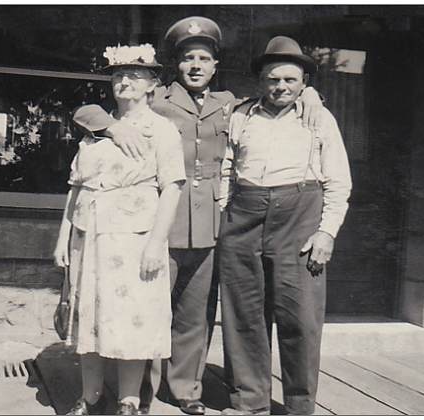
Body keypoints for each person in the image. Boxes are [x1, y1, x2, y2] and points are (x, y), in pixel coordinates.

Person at [80, 17, 325, 416]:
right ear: (176, 65)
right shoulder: (154, 98)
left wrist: (311, 95)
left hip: (212, 223)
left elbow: (281, 94)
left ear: (215, 65)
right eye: (188, 57)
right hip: (158, 221)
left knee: (195, 313)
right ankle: (138, 390)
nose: (195, 65)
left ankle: (184, 390)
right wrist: (109, 126)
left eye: (204, 58)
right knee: (148, 306)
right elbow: (87, 111)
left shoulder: (232, 105)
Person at [217, 36, 352, 415]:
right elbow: (227, 170)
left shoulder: (319, 116)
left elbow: (338, 181)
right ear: (260, 81)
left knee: (300, 315)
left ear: (304, 83)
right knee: (243, 312)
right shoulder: (241, 114)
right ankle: (248, 401)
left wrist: (327, 232)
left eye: (290, 80)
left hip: (300, 216)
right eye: (273, 79)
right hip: (244, 214)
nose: (281, 87)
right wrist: (226, 212)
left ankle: (298, 406)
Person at [53, 43, 185, 415]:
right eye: (118, 75)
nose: (124, 81)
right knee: (90, 318)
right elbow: (77, 185)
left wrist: (155, 244)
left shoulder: (162, 130)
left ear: (151, 84)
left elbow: (172, 188)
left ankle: (128, 399)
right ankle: (91, 395)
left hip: (134, 238)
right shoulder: (96, 126)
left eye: (134, 75)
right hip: (89, 235)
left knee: (133, 317)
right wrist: (63, 237)